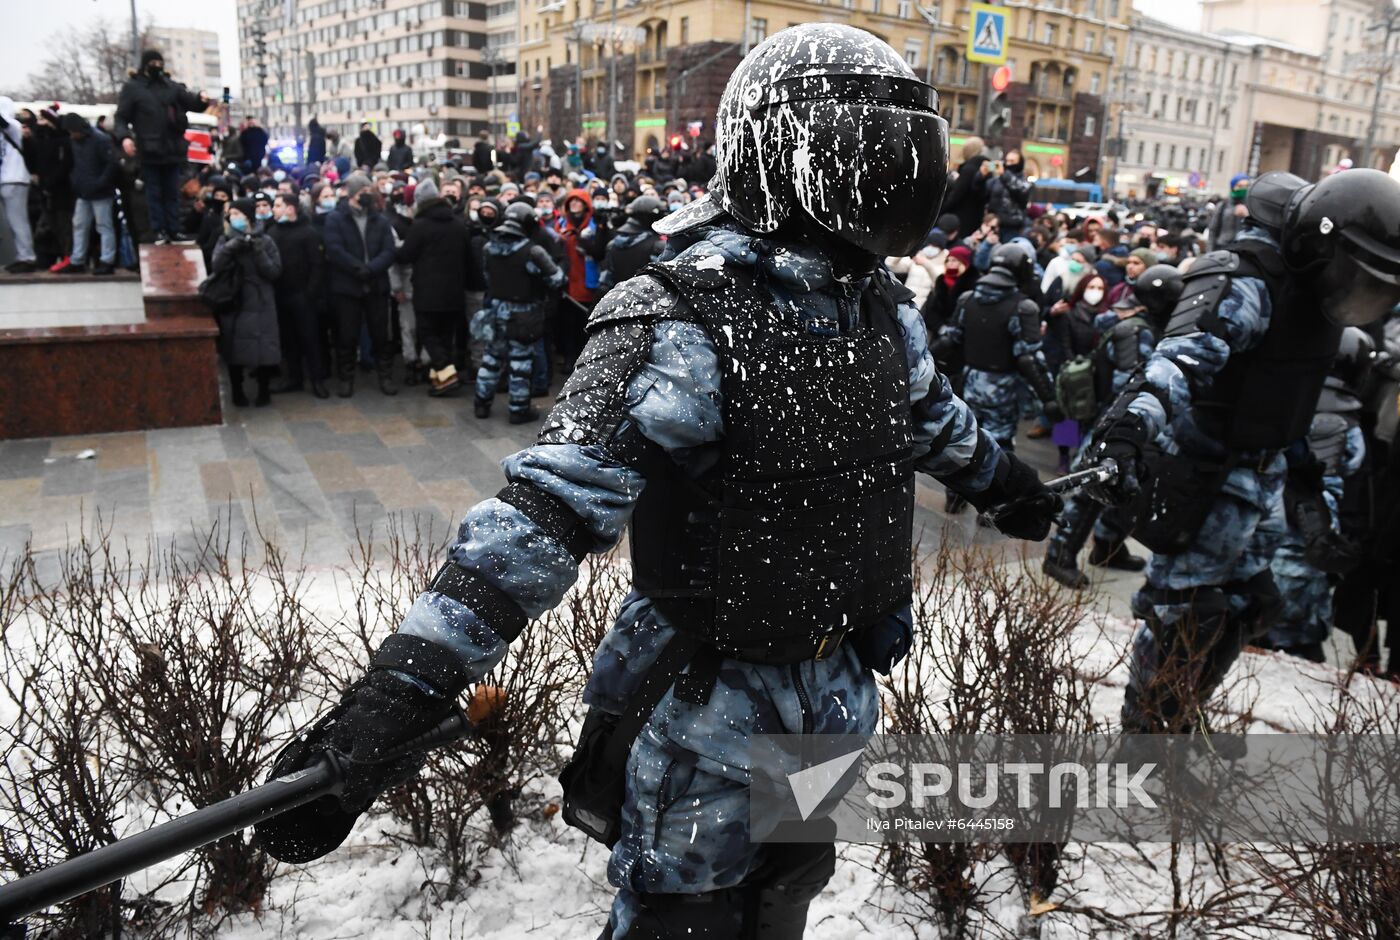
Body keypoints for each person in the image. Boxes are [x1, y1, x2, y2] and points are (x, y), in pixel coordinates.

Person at [256, 27, 1059, 940]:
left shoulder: (878, 309)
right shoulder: (677, 318)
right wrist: (393, 704)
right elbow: (541, 516)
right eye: (867, 152)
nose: (891, 179)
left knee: (790, 887)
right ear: (781, 158)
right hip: (710, 708)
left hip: (836, 693)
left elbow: (937, 423)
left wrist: (1015, 489)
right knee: (686, 919)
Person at [1085, 170, 1400, 733]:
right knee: (1184, 615)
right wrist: (1127, 432)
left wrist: (1307, 486)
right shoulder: (1245, 280)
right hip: (1207, 478)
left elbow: (1286, 396)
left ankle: (1181, 719)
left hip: (1265, 475)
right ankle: (1146, 738)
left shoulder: (1312, 298)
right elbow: (1178, 362)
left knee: (1251, 604)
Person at [1258, 328, 1373, 662]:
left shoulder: (1292, 404)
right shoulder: (1339, 423)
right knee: (1298, 643)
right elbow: (1335, 483)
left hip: (1271, 532)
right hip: (1303, 545)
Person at [935, 241, 1063, 513]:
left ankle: (955, 497)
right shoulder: (1023, 307)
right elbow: (1029, 359)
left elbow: (949, 340)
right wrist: (1049, 399)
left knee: (963, 440)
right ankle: (994, 508)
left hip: (969, 383)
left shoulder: (968, 299)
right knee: (999, 448)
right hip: (1002, 389)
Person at [472, 201, 564, 422]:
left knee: (491, 359)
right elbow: (556, 279)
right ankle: (519, 409)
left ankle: (481, 403)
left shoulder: (489, 248)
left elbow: (487, 276)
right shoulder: (533, 251)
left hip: (495, 310)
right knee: (521, 362)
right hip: (524, 314)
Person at [114, 50, 209, 244]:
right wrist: (125, 138)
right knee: (154, 193)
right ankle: (159, 230)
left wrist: (201, 99)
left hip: (173, 149)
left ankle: (174, 230)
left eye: (160, 62)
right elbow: (121, 117)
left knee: (172, 192)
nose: (157, 66)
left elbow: (192, 103)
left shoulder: (171, 86)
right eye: (153, 63)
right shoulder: (133, 88)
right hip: (148, 150)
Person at [322, 172, 398, 397]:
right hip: (347, 286)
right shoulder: (336, 219)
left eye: (369, 191)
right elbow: (335, 249)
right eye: (364, 192)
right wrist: (357, 269)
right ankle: (346, 378)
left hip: (376, 285)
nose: (368, 195)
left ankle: (385, 376)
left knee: (380, 335)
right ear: (353, 193)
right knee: (347, 335)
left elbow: (389, 250)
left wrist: (371, 269)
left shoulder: (380, 220)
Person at [395, 177, 472, 397]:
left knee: (428, 333)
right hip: (454, 292)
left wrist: (393, 249)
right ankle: (440, 381)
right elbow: (468, 259)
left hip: (427, 292)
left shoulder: (420, 226)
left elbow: (406, 255)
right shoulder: (458, 224)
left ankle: (446, 374)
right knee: (445, 336)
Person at [211, 198, 283, 406]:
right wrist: (231, 248)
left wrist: (258, 251)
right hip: (235, 300)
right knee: (234, 346)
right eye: (231, 214)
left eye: (237, 214)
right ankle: (237, 391)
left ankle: (263, 390)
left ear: (248, 217)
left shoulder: (266, 241)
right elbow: (216, 266)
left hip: (261, 300)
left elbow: (274, 271)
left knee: (263, 347)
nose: (232, 217)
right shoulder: (225, 239)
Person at [268, 192, 329, 398]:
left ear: (290, 209)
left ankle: (317, 379)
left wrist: (309, 293)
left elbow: (317, 265)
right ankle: (293, 378)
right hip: (281, 295)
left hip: (303, 296)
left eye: (277, 206)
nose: (274, 209)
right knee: (288, 340)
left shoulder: (308, 233)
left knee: (310, 339)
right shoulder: (273, 232)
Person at [59, 113, 118, 276]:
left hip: (99, 192)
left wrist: (100, 183)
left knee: (102, 226)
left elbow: (111, 164)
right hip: (85, 190)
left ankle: (106, 260)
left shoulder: (100, 140)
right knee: (80, 225)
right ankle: (79, 259)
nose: (72, 135)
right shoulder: (82, 140)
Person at [553, 188, 601, 371]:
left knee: (585, 323)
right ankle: (569, 358)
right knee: (567, 324)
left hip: (588, 281)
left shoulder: (594, 226)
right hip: (568, 281)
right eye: (571, 201)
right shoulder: (560, 225)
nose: (573, 204)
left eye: (578, 201)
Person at [0, 96, 38, 273]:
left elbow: (4, 123)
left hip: (15, 178)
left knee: (17, 220)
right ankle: (18, 255)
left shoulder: (14, 126)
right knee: (9, 222)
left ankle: (27, 256)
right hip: (5, 178)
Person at [596, 195, 663, 293]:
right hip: (647, 300)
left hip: (619, 298)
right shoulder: (657, 246)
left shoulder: (612, 244)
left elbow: (605, 282)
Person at [942, 136, 990, 239]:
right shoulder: (985, 169)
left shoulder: (969, 169)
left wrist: (941, 209)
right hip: (976, 216)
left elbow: (957, 194)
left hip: (961, 216)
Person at [985, 149, 1031, 241]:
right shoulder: (998, 179)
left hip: (1011, 226)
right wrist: (983, 174)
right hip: (994, 224)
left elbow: (1021, 191)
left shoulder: (1023, 181)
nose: (1008, 164)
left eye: (1012, 161)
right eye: (1007, 161)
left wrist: (1004, 174)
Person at [1207, 174, 1250, 251]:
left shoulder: (1251, 206)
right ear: (1233, 187)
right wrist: (1210, 251)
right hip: (1222, 248)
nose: (1243, 189)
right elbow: (1213, 230)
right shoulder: (1223, 205)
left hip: (1241, 248)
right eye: (1240, 186)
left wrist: (1247, 215)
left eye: (1246, 186)